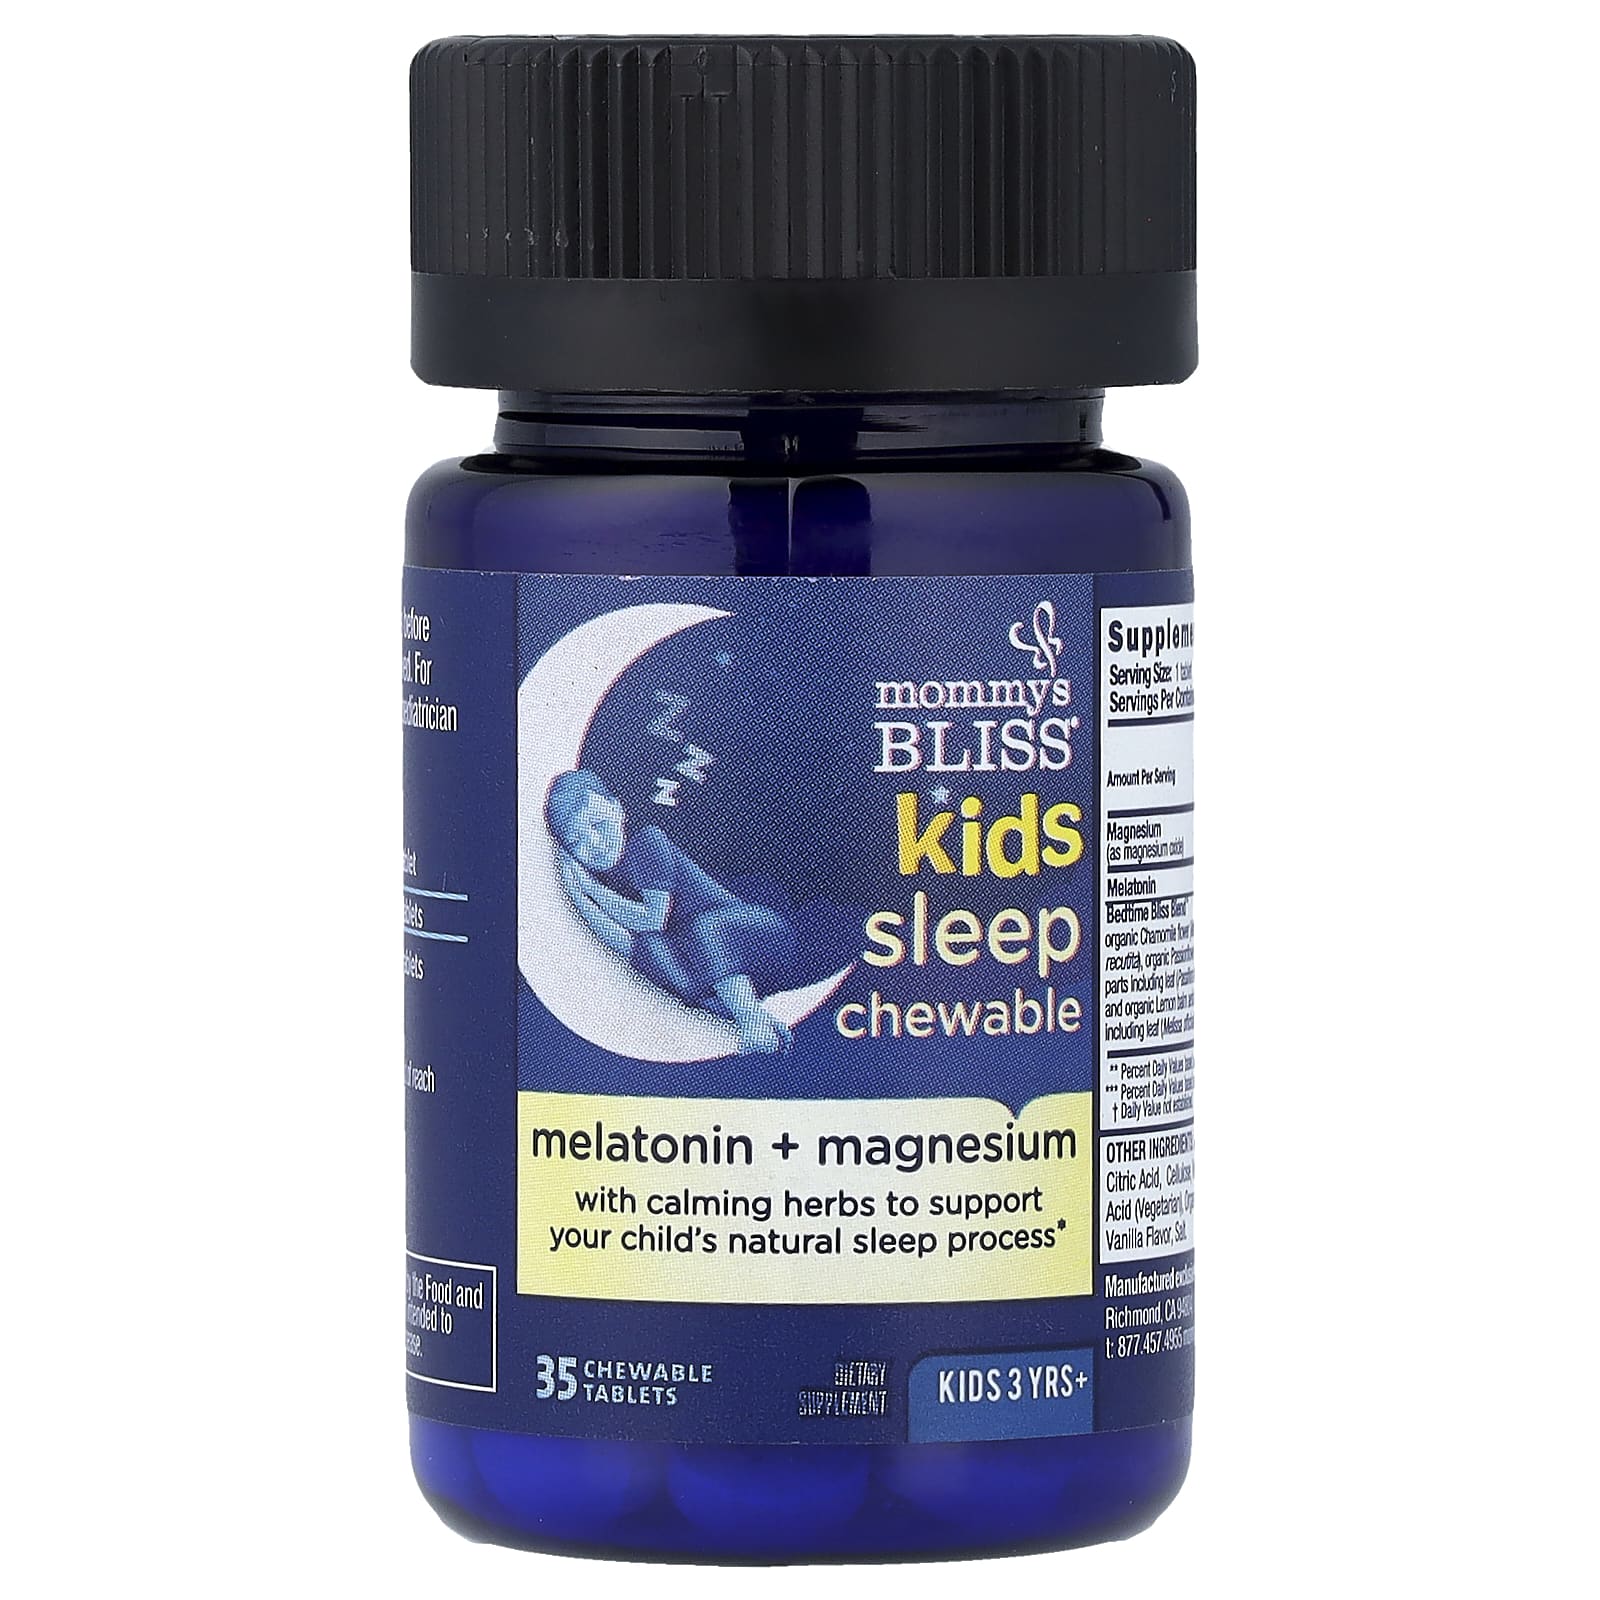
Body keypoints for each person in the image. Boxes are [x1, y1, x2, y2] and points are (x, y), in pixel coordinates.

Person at [546, 769, 798, 1054]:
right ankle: (755, 1019)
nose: (595, 844)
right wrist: (577, 895)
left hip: (763, 938)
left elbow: (652, 918)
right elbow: (626, 945)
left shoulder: (645, 843)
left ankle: (751, 1022)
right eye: (577, 842)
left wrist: (592, 891)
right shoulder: (605, 878)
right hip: (730, 976)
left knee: (705, 930)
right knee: (654, 953)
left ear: (618, 810)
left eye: (599, 825)